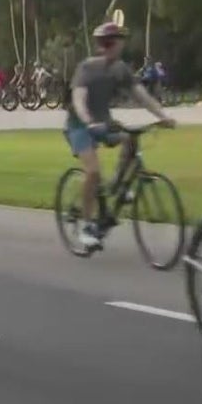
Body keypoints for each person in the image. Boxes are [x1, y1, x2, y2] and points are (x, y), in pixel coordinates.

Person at [65, 22, 176, 249]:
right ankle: (86, 226)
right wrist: (89, 121)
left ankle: (118, 186)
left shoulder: (120, 69)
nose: (120, 45)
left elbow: (142, 96)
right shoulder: (87, 68)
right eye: (117, 41)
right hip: (79, 126)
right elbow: (79, 98)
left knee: (130, 139)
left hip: (105, 124)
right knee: (93, 171)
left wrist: (163, 116)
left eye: (119, 41)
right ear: (106, 44)